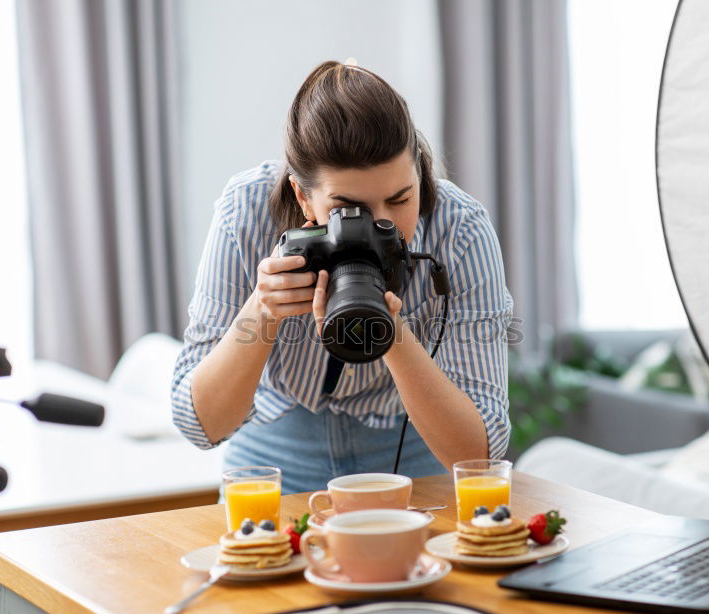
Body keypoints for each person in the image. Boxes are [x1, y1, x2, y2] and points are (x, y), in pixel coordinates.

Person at [172, 61, 512, 494]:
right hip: (274, 452)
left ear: (420, 174)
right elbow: (198, 426)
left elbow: (479, 457)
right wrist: (261, 310)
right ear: (302, 196)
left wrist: (392, 334)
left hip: (412, 448)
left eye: (401, 198)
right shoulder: (247, 214)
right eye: (350, 209)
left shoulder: (458, 230)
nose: (381, 225)